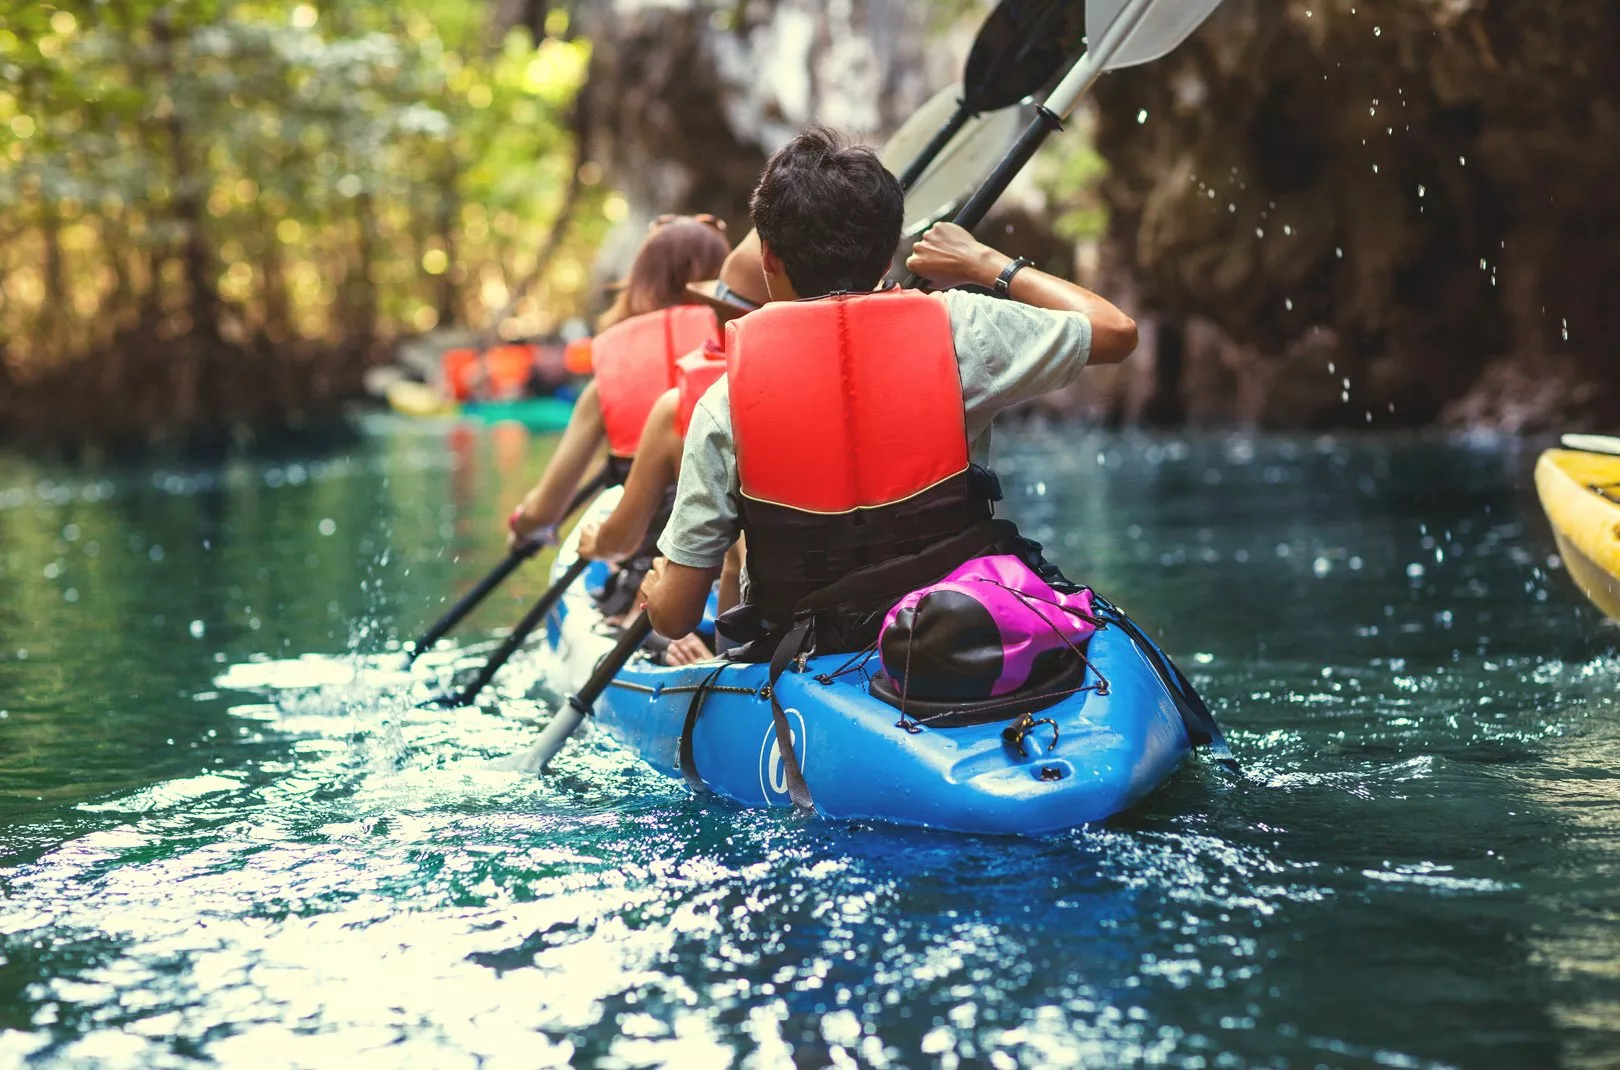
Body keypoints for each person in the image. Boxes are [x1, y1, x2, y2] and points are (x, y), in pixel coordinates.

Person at [639, 127, 1139, 658]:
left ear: (769, 258)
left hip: (809, 653)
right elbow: (1115, 330)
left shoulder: (724, 403)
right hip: (956, 633)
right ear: (885, 258)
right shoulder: (962, 329)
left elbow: (676, 616)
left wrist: (654, 592)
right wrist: (986, 264)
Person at [575, 230, 772, 662]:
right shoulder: (822, 389)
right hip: (787, 619)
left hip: (689, 598)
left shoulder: (682, 405)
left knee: (649, 601)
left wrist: (595, 545)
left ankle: (686, 654)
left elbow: (622, 542)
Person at [505, 215, 730, 549]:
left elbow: (545, 511)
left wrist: (523, 525)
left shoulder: (608, 382)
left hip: (644, 559)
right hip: (732, 557)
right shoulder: (745, 353)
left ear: (640, 281)